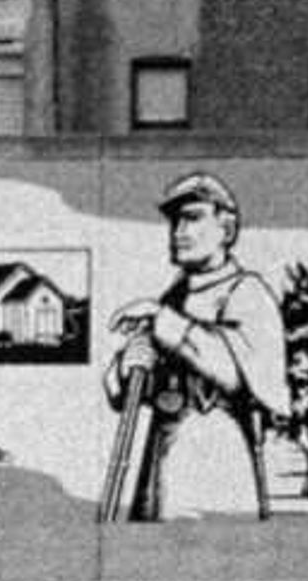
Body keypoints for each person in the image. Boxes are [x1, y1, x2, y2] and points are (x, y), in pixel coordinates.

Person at [102, 171, 291, 522]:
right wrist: (127, 368)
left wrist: (163, 322)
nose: (178, 233)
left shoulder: (248, 293)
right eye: (175, 221)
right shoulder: (172, 298)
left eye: (192, 218)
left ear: (227, 230)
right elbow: (134, 389)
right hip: (160, 465)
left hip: (218, 461)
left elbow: (236, 373)